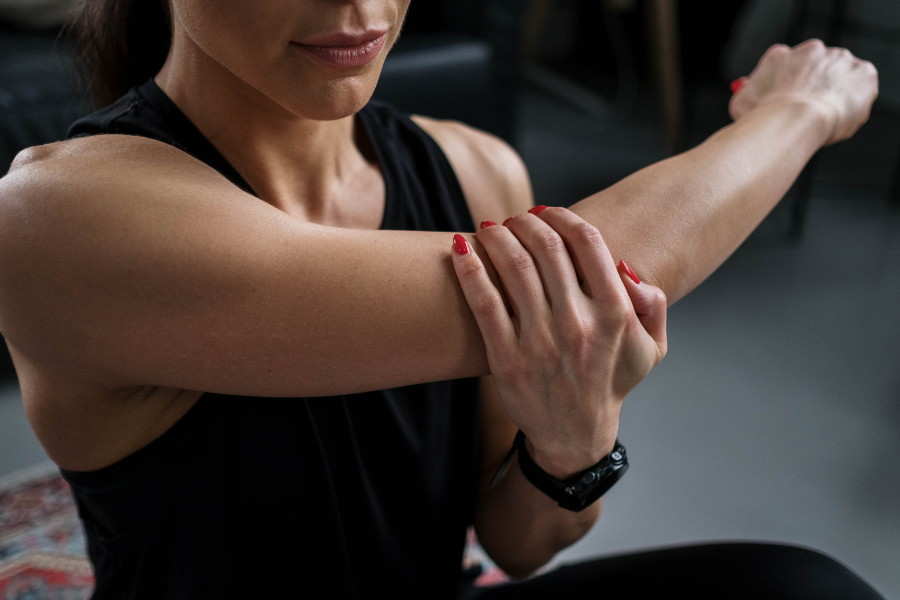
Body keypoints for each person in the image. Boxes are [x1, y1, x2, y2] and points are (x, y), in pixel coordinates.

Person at [0, 0, 883, 598]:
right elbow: (582, 271)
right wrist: (802, 109)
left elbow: (516, 544)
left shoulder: (476, 170)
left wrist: (573, 446)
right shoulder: (60, 218)